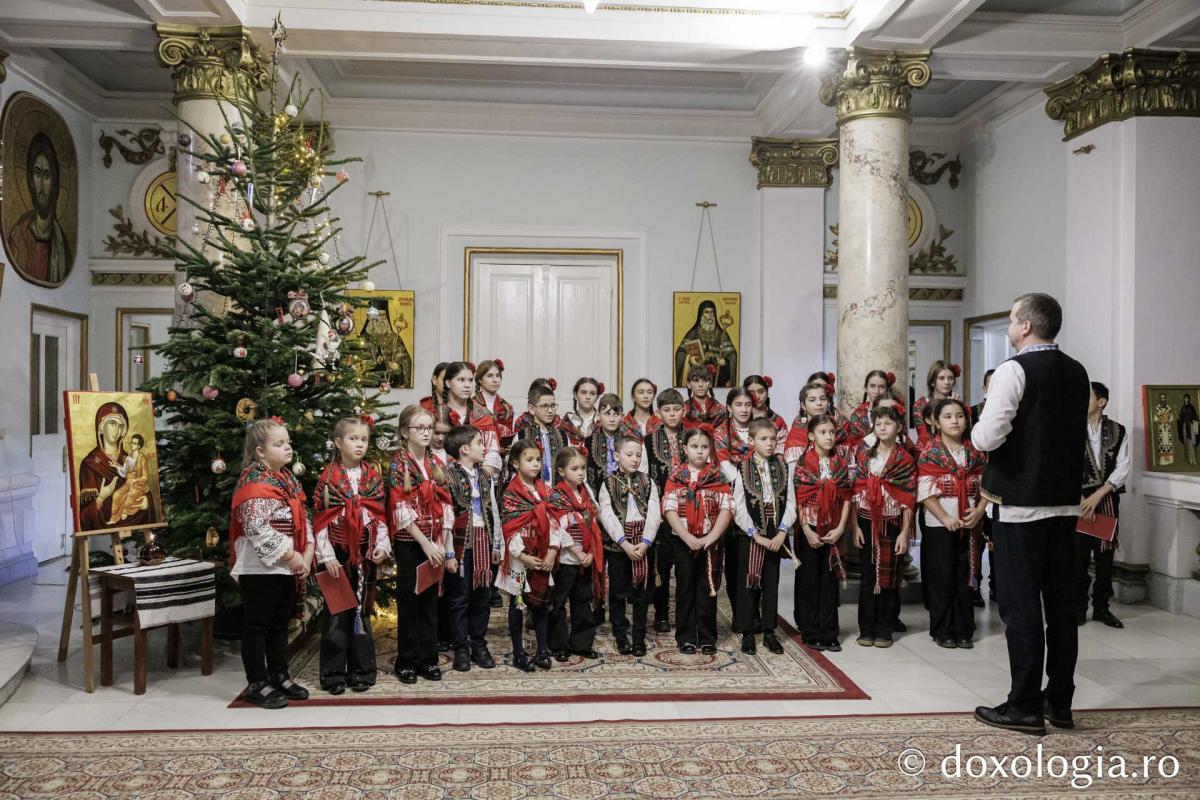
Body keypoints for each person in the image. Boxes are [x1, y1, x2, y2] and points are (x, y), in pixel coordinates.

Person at [972, 292, 1089, 737]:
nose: (1009, 327)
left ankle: (1023, 705)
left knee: (1020, 609)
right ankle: (1059, 701)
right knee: (1061, 607)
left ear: (1025, 325)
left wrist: (979, 427)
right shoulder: (1077, 371)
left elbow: (987, 437)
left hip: (1021, 506)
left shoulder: (1013, 369)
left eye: (1011, 319)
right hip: (1065, 504)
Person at [229, 419, 312, 709]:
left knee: (280, 622)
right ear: (260, 451)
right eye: (279, 444)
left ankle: (279, 674)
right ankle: (256, 681)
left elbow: (303, 516)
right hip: (260, 567)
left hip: (285, 566)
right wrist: (290, 555)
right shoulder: (254, 481)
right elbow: (255, 526)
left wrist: (307, 553)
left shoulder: (288, 479)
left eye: (288, 442)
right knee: (257, 624)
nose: (288, 447)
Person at [313, 417, 391, 694]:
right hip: (337, 551)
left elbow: (380, 515)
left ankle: (362, 670)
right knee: (336, 612)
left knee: (362, 611)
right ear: (338, 442)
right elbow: (321, 521)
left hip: (365, 552)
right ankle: (333, 673)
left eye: (364, 439)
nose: (360, 444)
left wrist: (383, 545)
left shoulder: (373, 477)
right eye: (353, 439)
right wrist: (326, 556)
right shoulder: (328, 479)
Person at [387, 404, 455, 685]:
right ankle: (406, 660)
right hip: (411, 543)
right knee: (410, 602)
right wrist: (425, 544)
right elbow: (400, 509)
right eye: (420, 428)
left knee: (430, 602)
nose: (427, 433)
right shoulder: (398, 465)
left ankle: (428, 659)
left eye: (430, 428)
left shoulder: (436, 463)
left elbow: (446, 505)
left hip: (434, 543)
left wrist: (442, 543)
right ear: (405, 432)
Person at [918, 399, 988, 649]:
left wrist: (979, 511)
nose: (955, 421)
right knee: (942, 576)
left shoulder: (975, 453)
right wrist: (945, 518)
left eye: (959, 416)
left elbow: (987, 487)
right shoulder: (930, 453)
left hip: (969, 522)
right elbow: (925, 492)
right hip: (940, 524)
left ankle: (964, 629)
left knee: (966, 575)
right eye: (947, 416)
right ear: (937, 422)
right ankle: (943, 629)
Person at [662, 427, 734, 654]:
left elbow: (727, 508)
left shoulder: (717, 477)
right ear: (685, 449)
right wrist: (687, 537)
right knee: (685, 587)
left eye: (704, 447)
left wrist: (711, 537)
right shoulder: (676, 477)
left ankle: (707, 636)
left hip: (709, 542)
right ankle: (686, 636)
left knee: (707, 587)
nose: (700, 451)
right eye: (695, 447)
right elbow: (669, 509)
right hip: (683, 541)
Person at [852, 405, 915, 649]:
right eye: (878, 423)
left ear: (899, 427)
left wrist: (904, 532)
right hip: (866, 520)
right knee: (868, 577)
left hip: (892, 522)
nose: (882, 427)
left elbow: (908, 498)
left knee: (889, 578)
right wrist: (855, 527)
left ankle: (884, 630)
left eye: (888, 423)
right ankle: (866, 630)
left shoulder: (905, 459)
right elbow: (855, 491)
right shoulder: (865, 456)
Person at [731, 418, 796, 655]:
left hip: (775, 530)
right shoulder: (742, 468)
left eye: (773, 439)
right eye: (763, 439)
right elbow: (738, 505)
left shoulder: (783, 468)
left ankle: (770, 631)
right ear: (751, 441)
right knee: (749, 581)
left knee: (771, 581)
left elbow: (791, 502)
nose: (769, 443)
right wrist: (754, 534)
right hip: (750, 532)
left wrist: (782, 531)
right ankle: (748, 632)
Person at [443, 425, 503, 672]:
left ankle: (478, 643)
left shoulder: (485, 477)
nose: (484, 447)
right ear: (465, 449)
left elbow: (494, 510)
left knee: (482, 596)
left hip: (483, 543)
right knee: (459, 598)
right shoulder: (447, 477)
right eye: (480, 443)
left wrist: (497, 543)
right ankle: (461, 646)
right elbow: (446, 517)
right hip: (461, 545)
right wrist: (448, 552)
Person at [497, 440, 558, 672]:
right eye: (529, 460)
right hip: (520, 560)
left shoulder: (545, 490)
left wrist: (552, 551)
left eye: (538, 460)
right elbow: (509, 529)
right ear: (515, 463)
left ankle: (542, 649)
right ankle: (519, 653)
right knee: (518, 604)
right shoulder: (511, 494)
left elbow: (555, 522)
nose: (535, 464)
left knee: (541, 603)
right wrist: (523, 557)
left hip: (542, 556)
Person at [793, 414, 852, 651]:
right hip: (809, 528)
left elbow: (847, 498)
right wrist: (807, 530)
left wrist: (840, 528)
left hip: (832, 527)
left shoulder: (840, 464)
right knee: (809, 579)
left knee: (829, 581)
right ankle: (811, 630)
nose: (829, 437)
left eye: (832, 432)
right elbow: (799, 499)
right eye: (823, 432)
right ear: (811, 436)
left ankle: (829, 631)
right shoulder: (803, 463)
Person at [598, 436, 661, 657]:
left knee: (641, 593)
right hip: (619, 546)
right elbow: (607, 516)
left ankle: (639, 637)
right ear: (617, 456)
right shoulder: (608, 484)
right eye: (629, 455)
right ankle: (620, 636)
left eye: (638, 455)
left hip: (643, 543)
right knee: (617, 592)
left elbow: (654, 513)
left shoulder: (648, 482)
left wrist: (645, 543)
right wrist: (624, 543)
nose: (634, 459)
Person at [1076, 381, 1130, 630]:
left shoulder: (1117, 430)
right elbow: (1062, 466)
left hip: (1106, 499)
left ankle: (1101, 608)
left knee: (1104, 557)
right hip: (1078, 500)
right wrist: (1080, 500)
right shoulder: (1070, 428)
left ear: (1101, 402)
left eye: (1087, 397)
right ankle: (1077, 607)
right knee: (1077, 557)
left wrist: (1098, 496)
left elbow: (1123, 467)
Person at [546, 446, 606, 662]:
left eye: (582, 468)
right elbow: (557, 528)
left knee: (583, 600)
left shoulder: (586, 494)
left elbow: (593, 522)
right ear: (561, 471)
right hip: (566, 558)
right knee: (559, 602)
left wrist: (590, 552)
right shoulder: (555, 496)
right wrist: (577, 552)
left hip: (585, 558)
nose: (580, 473)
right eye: (575, 469)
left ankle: (581, 643)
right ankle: (558, 644)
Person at [645, 388, 688, 633]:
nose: (672, 414)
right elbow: (645, 478)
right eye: (667, 410)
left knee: (684, 566)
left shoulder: (692, 437)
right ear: (659, 413)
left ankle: (684, 614)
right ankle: (661, 614)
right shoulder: (648, 442)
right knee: (660, 567)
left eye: (676, 409)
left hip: (687, 512)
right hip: (660, 513)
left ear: (684, 410)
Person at [77, 402, 156, 531]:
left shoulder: (130, 459)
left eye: (120, 426)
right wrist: (101, 498)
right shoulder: (90, 464)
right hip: (104, 526)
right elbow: (85, 516)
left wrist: (146, 501)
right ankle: (115, 516)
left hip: (134, 520)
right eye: (112, 423)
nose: (117, 430)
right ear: (101, 427)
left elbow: (143, 487)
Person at [7, 132, 72, 284]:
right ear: (30, 180)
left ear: (54, 184)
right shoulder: (18, 237)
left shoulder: (61, 243)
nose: (42, 185)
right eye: (37, 174)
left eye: (47, 175)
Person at [714, 387, 755, 614]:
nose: (744, 409)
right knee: (734, 558)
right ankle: (738, 610)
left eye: (748, 404)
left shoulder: (759, 428)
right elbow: (724, 464)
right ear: (729, 407)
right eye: (738, 405)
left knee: (755, 557)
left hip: (758, 497)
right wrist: (746, 480)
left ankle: (754, 610)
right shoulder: (722, 432)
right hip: (732, 496)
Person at [439, 361, 503, 476]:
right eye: (461, 380)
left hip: (479, 476)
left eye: (470, 380)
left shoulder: (482, 414)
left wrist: (483, 478)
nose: (467, 385)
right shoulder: (438, 414)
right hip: (445, 476)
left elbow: (492, 452)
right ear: (448, 383)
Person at [515, 383, 570, 485]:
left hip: (558, 490)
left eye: (552, 406)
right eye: (544, 406)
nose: (550, 410)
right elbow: (514, 471)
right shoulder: (521, 436)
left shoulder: (563, 436)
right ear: (532, 409)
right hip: (530, 490)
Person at [674, 299, 737, 386]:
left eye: (712, 312)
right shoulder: (693, 333)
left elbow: (732, 356)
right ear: (701, 314)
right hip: (697, 377)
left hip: (718, 379)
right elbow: (680, 353)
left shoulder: (722, 334)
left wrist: (724, 361)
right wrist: (689, 359)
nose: (710, 315)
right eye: (706, 312)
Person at [784, 381, 838, 464]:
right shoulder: (796, 435)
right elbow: (794, 468)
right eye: (812, 400)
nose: (819, 403)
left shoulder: (838, 432)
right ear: (803, 405)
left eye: (823, 399)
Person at [843, 371, 898, 450]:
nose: (877, 391)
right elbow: (854, 446)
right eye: (872, 386)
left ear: (887, 389)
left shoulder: (895, 411)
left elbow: (902, 440)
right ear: (866, 388)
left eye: (882, 387)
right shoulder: (857, 415)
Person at [914, 361, 961, 447]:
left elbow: (962, 433)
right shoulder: (921, 404)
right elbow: (923, 436)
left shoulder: (956, 402)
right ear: (932, 382)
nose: (947, 382)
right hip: (928, 449)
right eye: (941, 378)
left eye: (950, 378)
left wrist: (955, 407)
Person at [107, 434, 152, 525]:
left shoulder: (142, 459)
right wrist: (116, 466)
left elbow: (145, 477)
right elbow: (124, 473)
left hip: (138, 485)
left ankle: (125, 511)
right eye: (131, 442)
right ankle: (114, 518)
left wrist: (137, 480)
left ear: (139, 446)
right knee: (116, 494)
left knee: (131, 495)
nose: (132, 445)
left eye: (135, 443)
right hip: (128, 483)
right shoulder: (128, 458)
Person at [475, 359, 515, 450]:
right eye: (489, 376)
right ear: (480, 379)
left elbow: (508, 436)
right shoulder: (472, 404)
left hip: (501, 455)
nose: (495, 380)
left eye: (498, 376)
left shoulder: (507, 407)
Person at [743, 375, 788, 451]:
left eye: (761, 392)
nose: (757, 396)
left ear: (767, 393)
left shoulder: (777, 420)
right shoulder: (739, 418)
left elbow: (781, 446)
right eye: (751, 393)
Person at [561, 377, 602, 447]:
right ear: (575, 395)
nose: (588, 397)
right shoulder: (566, 422)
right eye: (583, 392)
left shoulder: (602, 421)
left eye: (592, 393)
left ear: (597, 398)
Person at [683, 364, 727, 428]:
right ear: (689, 384)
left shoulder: (720, 409)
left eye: (705, 381)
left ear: (710, 384)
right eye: (696, 381)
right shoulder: (683, 409)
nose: (700, 385)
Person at [1177, 393, 1198, 466]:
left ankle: (1194, 459)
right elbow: (1181, 417)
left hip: (1190, 426)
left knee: (1192, 442)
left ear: (1189, 399)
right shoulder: (1183, 407)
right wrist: (1178, 418)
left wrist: (1195, 421)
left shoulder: (1191, 407)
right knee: (1187, 443)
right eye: (1185, 398)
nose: (1186, 399)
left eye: (1187, 398)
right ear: (1184, 399)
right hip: (1185, 427)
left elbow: (1195, 416)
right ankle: (1189, 460)